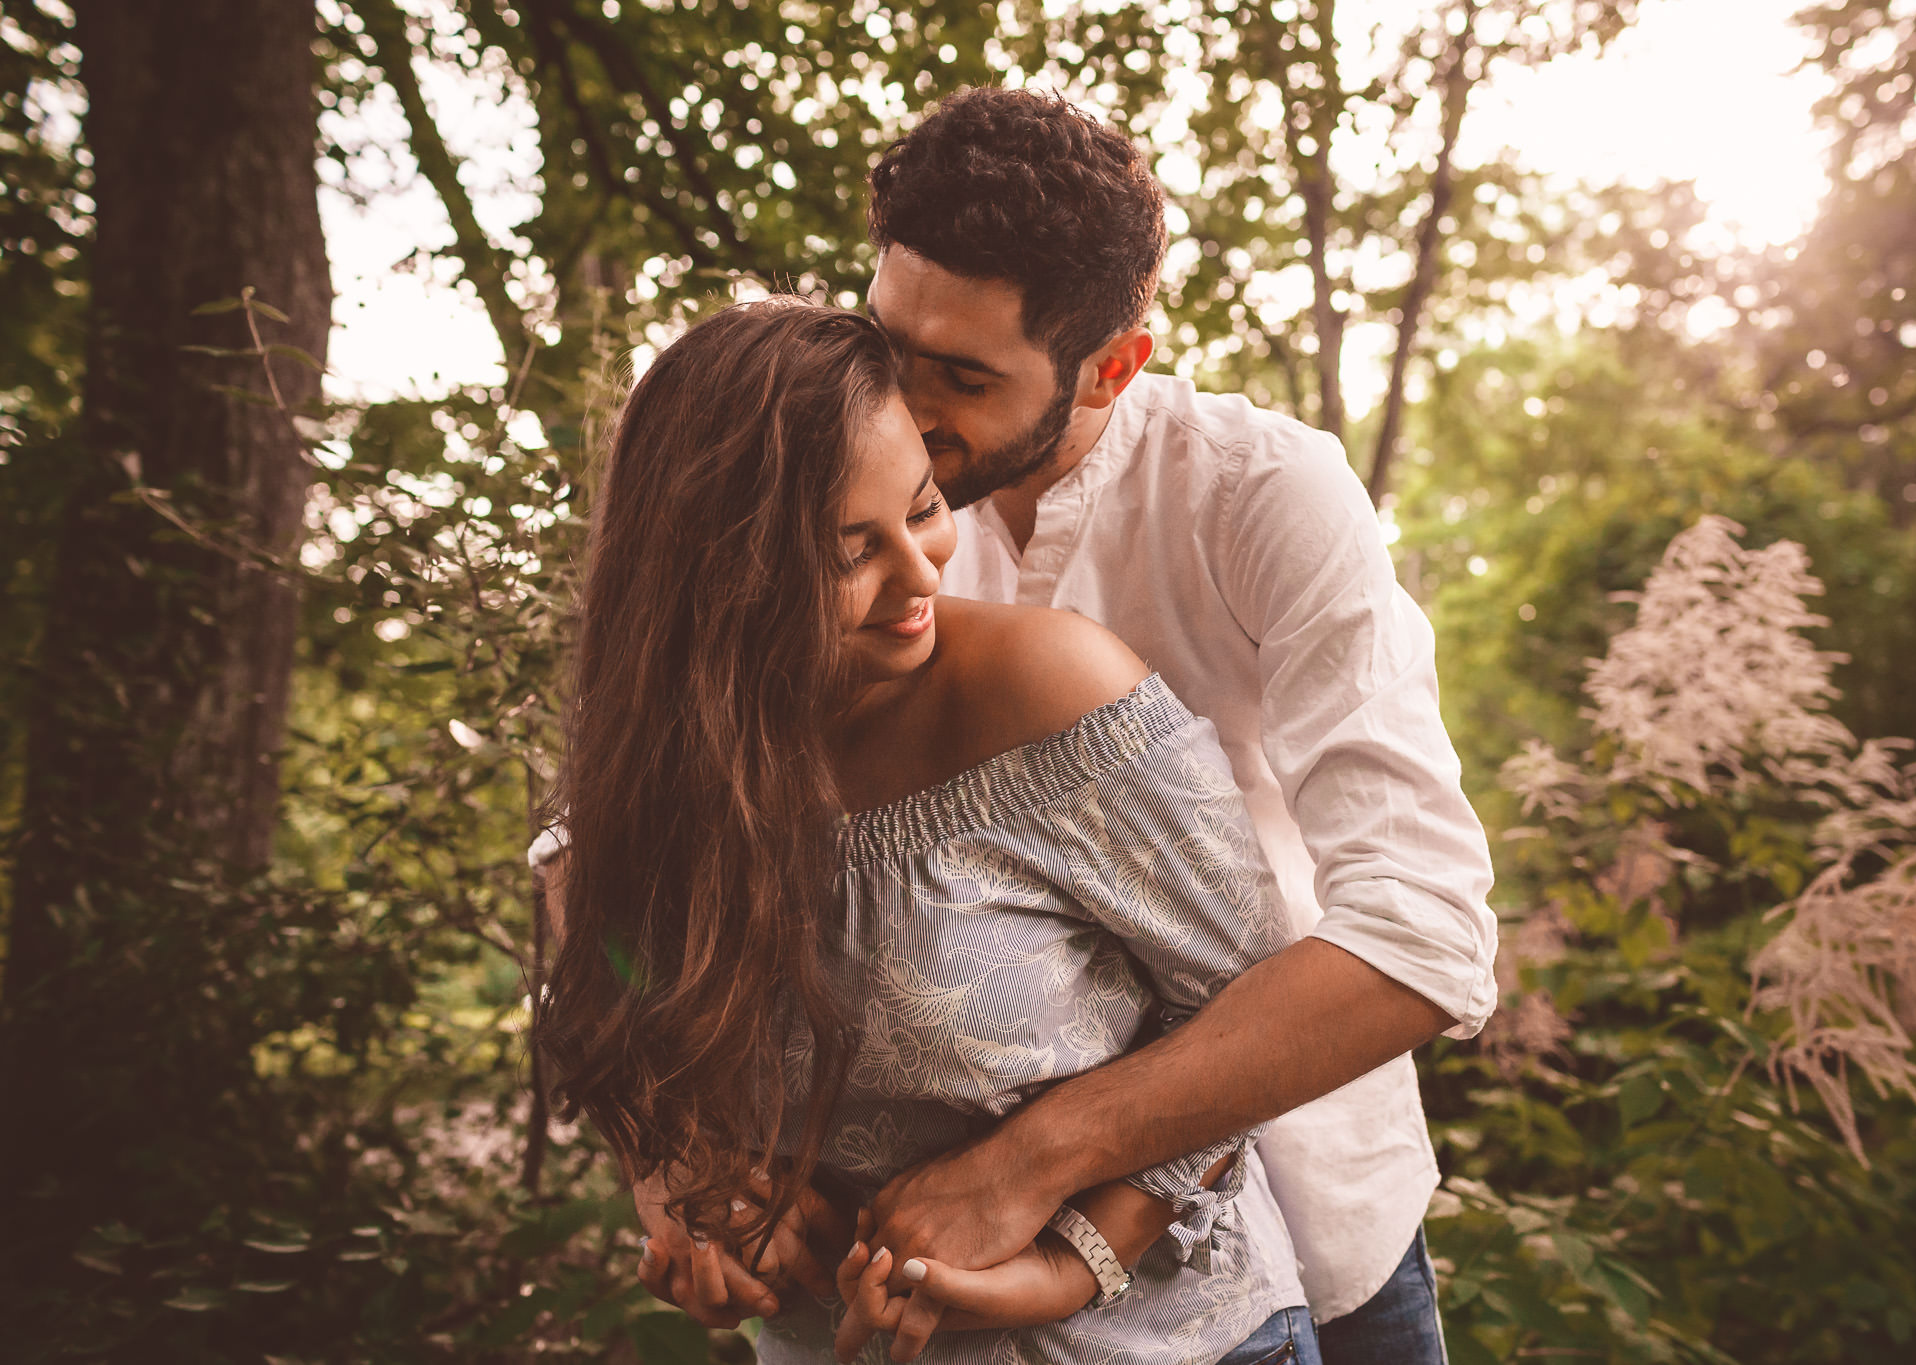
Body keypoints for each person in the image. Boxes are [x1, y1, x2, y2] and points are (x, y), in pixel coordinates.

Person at [627, 88, 1499, 1365]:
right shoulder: (834, 496)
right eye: (891, 339)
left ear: (1111, 364)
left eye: (964, 376)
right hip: (934, 1307)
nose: (906, 407)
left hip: (1310, 1228)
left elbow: (1422, 930)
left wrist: (1034, 1161)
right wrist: (676, 1155)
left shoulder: (1263, 496)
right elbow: (604, 847)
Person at [535, 296, 1325, 1365]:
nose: (919, 578)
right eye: (847, 552)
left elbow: (1251, 1012)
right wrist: (682, 1196)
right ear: (715, 584)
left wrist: (1078, 1254)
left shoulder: (1049, 693)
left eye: (921, 510)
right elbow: (622, 1021)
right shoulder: (628, 812)